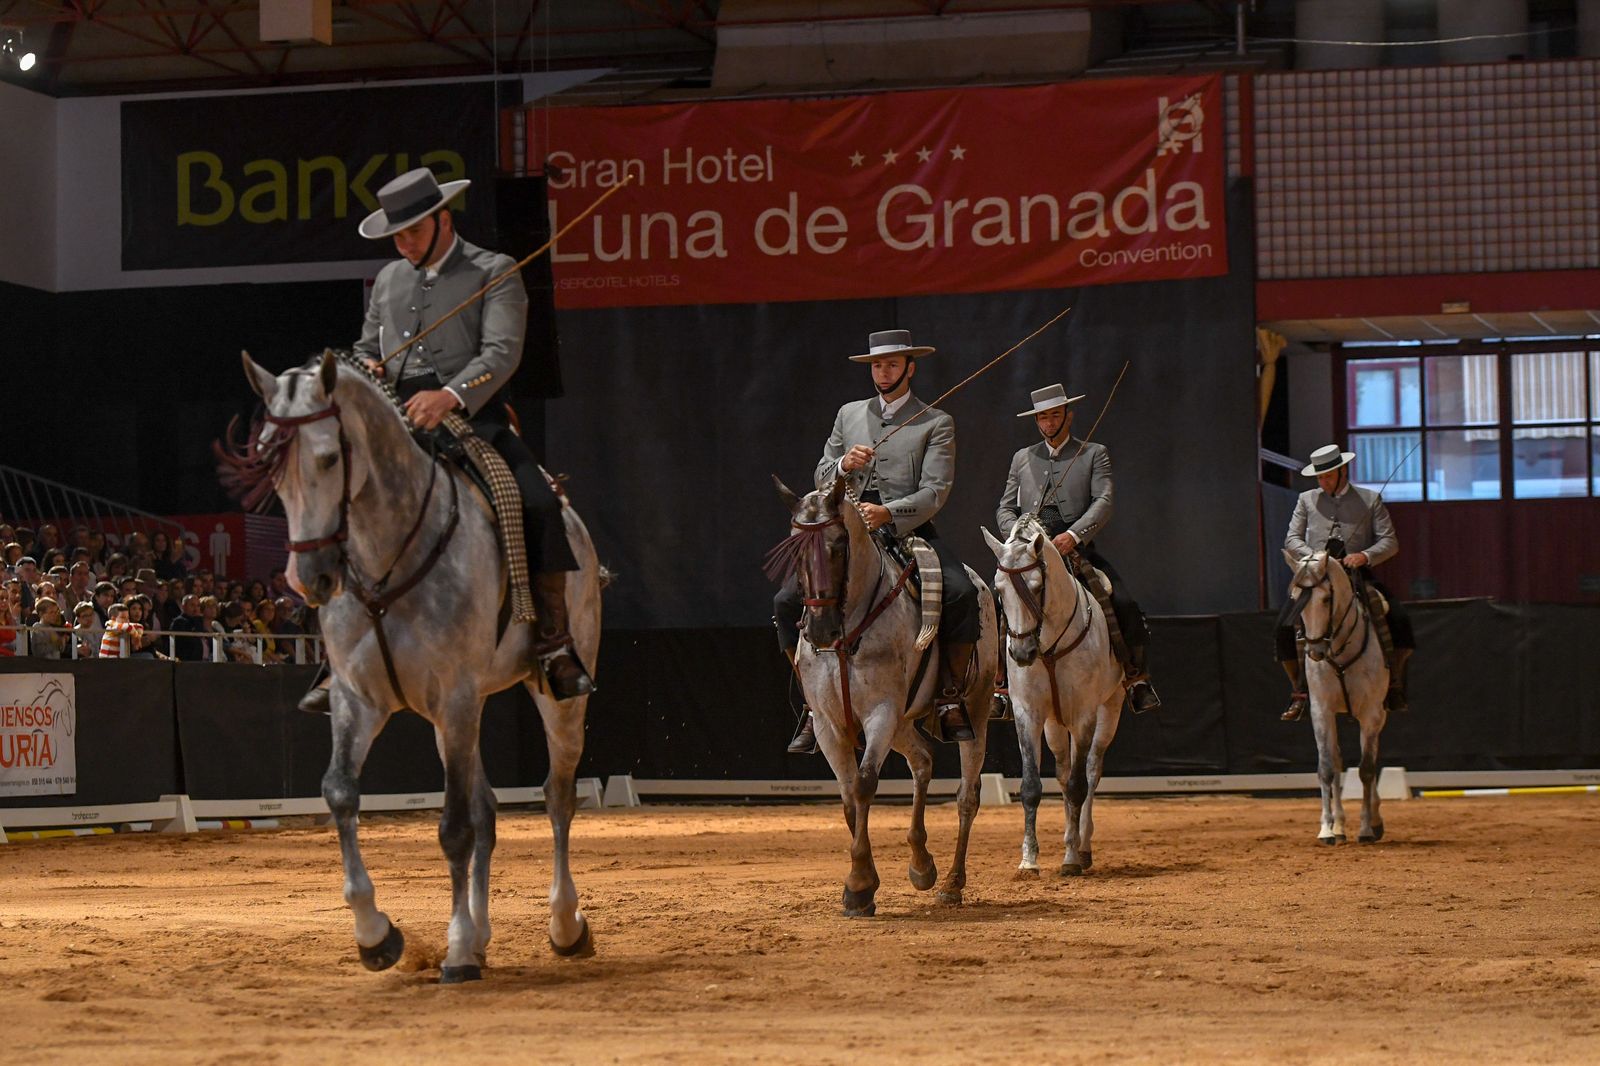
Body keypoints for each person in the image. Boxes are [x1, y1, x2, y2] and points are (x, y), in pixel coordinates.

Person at [298, 164, 592, 713]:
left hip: (469, 415)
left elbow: (502, 353)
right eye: (397, 236)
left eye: (412, 231)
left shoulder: (494, 269)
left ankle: (553, 642)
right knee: (340, 501)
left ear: (442, 219)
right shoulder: (389, 280)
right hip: (396, 418)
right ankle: (336, 656)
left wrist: (450, 395)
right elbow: (367, 346)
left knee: (535, 500)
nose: (404, 243)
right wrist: (369, 369)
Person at [774, 329, 981, 753]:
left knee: (960, 593)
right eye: (876, 366)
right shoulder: (848, 413)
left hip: (903, 527)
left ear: (910, 367)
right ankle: (813, 706)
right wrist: (841, 465)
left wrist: (889, 512)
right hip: (846, 528)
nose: (882, 372)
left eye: (890, 364)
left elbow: (935, 490)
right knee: (786, 601)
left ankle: (948, 697)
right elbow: (821, 473)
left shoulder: (935, 422)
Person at [995, 384, 1161, 715]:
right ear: (1037, 421)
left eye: (1055, 415)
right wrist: (1016, 536)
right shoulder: (1022, 458)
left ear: (1068, 416)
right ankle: (1000, 684)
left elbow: (1103, 501)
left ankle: (1136, 678)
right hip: (1031, 549)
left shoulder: (1092, 453)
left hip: (1072, 546)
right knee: (1000, 602)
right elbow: (1005, 507)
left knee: (1122, 601)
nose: (1049, 422)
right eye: (1043, 417)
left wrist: (1074, 535)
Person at [1277, 444, 1415, 721]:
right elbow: (1291, 539)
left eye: (1327, 476)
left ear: (1342, 471)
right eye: (1319, 477)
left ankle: (1394, 684)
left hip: (1356, 575)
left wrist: (1364, 556)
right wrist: (1315, 559)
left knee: (1400, 621)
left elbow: (1390, 542)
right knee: (1283, 626)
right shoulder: (1306, 499)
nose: (1322, 482)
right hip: (1317, 577)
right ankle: (1299, 692)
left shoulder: (1370, 499)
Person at [167, 594, 209, 662]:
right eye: (192, 605)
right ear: (183, 607)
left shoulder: (199, 621)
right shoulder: (179, 622)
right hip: (186, 663)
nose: (196, 609)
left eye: (198, 606)